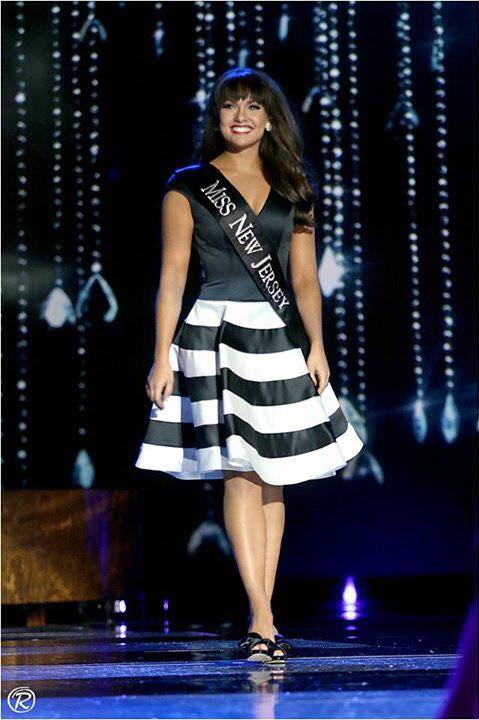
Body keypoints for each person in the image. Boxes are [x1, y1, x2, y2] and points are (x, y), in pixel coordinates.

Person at [135, 67, 364, 662]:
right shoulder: (188, 186)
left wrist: (317, 346)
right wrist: (162, 356)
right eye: (229, 106)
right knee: (239, 471)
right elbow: (172, 277)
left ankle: (265, 617)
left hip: (279, 339)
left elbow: (306, 279)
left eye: (252, 107)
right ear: (216, 117)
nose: (240, 115)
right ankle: (262, 616)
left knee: (272, 480)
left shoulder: (293, 187)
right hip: (215, 335)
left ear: (268, 119)